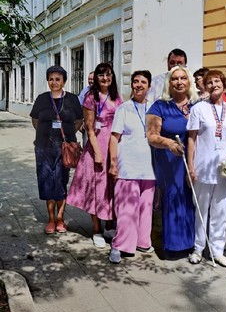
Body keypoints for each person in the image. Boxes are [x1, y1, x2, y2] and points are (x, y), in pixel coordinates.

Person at [186, 69, 226, 267]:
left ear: (224, 84)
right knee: (201, 210)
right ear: (205, 86)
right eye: (209, 82)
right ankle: (198, 248)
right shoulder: (199, 109)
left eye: (217, 81)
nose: (213, 85)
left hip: (224, 170)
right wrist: (191, 166)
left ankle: (217, 250)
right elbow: (191, 139)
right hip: (203, 167)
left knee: (220, 211)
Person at [66, 62, 123, 247]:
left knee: (112, 187)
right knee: (97, 188)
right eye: (101, 75)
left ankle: (110, 225)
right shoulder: (91, 97)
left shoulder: (117, 96)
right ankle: (97, 229)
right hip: (97, 146)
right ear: (96, 78)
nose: (105, 78)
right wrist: (97, 153)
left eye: (108, 74)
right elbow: (90, 129)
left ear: (112, 76)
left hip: (115, 145)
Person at [147, 66, 199, 257]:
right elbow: (151, 136)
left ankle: (192, 242)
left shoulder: (197, 105)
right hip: (169, 161)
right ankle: (173, 245)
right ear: (169, 83)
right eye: (175, 79)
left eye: (183, 78)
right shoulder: (160, 106)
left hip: (193, 159)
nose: (179, 82)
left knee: (191, 198)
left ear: (189, 81)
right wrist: (169, 143)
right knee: (174, 197)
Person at [107, 71, 156, 263]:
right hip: (128, 166)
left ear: (149, 86)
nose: (138, 85)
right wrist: (113, 164)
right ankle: (119, 245)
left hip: (150, 168)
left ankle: (142, 242)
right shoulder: (124, 108)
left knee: (146, 208)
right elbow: (114, 138)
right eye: (135, 81)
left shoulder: (154, 108)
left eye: (143, 82)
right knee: (127, 209)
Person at [31, 66, 84, 235]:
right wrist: (46, 135)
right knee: (46, 181)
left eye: (58, 79)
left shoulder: (72, 99)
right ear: (48, 81)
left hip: (64, 148)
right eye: (51, 79)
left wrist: (67, 135)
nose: (54, 82)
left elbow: (79, 121)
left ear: (64, 81)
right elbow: (35, 120)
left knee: (60, 180)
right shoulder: (42, 99)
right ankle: (51, 219)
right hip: (43, 147)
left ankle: (60, 219)